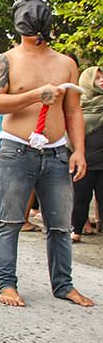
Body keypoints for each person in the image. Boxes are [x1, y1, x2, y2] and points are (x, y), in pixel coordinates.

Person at [0, 0, 92, 307]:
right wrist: (34, 95)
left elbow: (73, 112)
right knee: (10, 220)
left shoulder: (66, 64)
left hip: (57, 152)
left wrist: (78, 151)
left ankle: (64, 285)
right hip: (16, 150)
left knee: (60, 224)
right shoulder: (6, 61)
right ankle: (7, 285)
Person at [71, 66, 103, 242]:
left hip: (102, 162)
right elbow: (70, 133)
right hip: (84, 161)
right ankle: (76, 231)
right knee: (80, 199)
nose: (102, 80)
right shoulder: (78, 106)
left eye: (102, 77)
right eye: (97, 78)